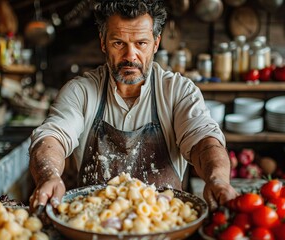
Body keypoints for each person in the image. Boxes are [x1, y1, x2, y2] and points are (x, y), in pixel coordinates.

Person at [28, 0, 237, 213]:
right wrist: (50, 175)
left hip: (164, 222)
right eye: (119, 43)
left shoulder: (178, 91)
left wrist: (217, 179)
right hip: (94, 223)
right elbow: (52, 137)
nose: (130, 56)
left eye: (141, 43)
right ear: (103, 43)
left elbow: (204, 142)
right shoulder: (80, 92)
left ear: (156, 43)